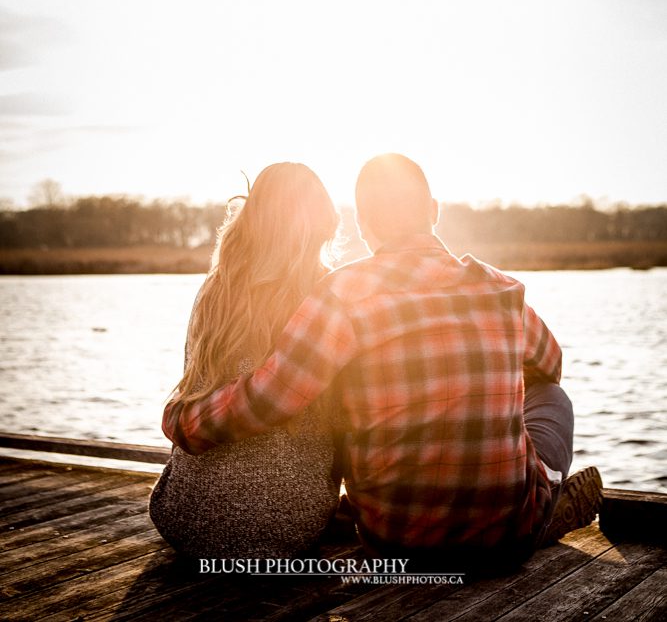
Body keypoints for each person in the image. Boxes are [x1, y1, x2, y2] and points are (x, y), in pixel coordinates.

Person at [163, 153, 602, 569]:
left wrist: (184, 424)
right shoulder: (502, 289)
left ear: (363, 222)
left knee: (354, 391)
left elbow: (272, 396)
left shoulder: (342, 294)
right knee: (552, 397)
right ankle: (542, 501)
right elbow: (549, 366)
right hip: (506, 541)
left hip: (393, 539)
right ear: (434, 211)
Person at [150, 162, 341, 559]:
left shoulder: (214, 290)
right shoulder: (327, 296)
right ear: (324, 222)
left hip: (181, 516)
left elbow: (191, 386)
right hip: (284, 526)